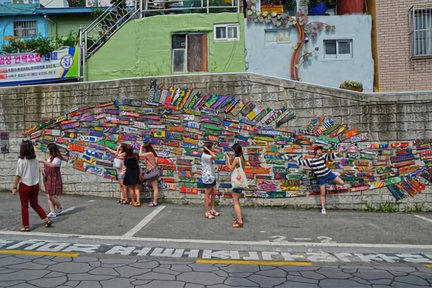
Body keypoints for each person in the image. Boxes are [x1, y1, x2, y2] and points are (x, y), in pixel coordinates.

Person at [12, 140, 52, 232]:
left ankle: (26, 226)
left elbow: (18, 175)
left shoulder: (21, 160)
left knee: (24, 206)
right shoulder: (34, 160)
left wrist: (14, 187)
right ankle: (46, 219)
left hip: (25, 186)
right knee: (34, 204)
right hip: (34, 185)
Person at [295, 145, 345, 215]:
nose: (320, 151)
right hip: (321, 178)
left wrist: (340, 151)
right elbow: (300, 162)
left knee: (342, 183)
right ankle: (323, 208)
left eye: (320, 150)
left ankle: (333, 174)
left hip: (329, 174)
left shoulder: (323, 157)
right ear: (315, 152)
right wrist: (291, 159)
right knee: (323, 193)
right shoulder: (311, 161)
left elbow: (332, 155)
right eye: (318, 150)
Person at [38, 143, 63, 218]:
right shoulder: (49, 158)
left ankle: (59, 207)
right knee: (48, 195)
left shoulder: (57, 158)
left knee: (52, 196)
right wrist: (43, 171)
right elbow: (48, 166)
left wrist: (43, 161)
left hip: (54, 178)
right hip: (48, 178)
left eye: (48, 150)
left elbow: (52, 165)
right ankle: (52, 211)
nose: (47, 151)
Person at [225, 143, 246, 228]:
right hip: (240, 182)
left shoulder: (237, 159)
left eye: (233, 150)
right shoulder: (242, 158)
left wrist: (228, 159)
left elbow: (230, 168)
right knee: (237, 201)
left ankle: (240, 221)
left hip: (236, 183)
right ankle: (239, 218)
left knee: (235, 202)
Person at [201, 142, 221, 219]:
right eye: (212, 147)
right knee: (207, 195)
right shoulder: (205, 156)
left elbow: (218, 151)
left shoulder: (209, 154)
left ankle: (212, 209)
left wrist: (211, 149)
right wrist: (208, 149)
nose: (214, 148)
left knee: (214, 193)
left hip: (212, 176)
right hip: (207, 177)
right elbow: (214, 156)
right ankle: (207, 211)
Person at [139, 143, 160, 207]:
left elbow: (140, 155)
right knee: (150, 186)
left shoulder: (150, 153)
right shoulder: (152, 154)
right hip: (152, 172)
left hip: (151, 173)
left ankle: (155, 202)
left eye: (144, 149)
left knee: (155, 188)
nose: (143, 150)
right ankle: (154, 200)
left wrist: (141, 147)